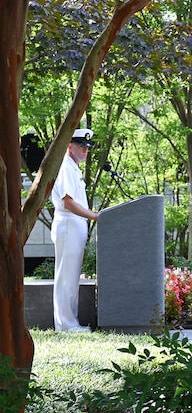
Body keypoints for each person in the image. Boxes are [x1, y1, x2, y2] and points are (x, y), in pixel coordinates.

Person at [51, 128, 99, 332]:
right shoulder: (65, 167)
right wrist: (94, 216)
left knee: (71, 277)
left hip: (75, 224)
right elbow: (68, 202)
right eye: (81, 146)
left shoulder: (73, 167)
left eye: (87, 147)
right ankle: (66, 324)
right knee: (66, 278)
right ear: (69, 146)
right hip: (69, 223)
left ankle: (70, 322)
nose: (85, 150)